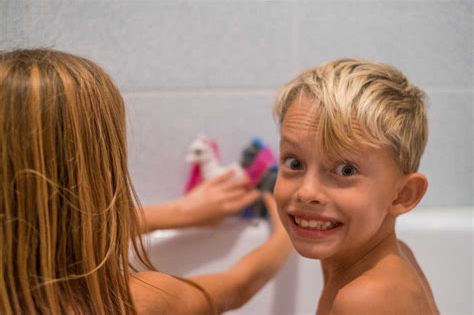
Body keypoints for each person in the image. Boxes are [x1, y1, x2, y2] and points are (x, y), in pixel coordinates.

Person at [0, 48, 292, 314]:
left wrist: (180, 213)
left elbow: (45, 227)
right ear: (96, 169)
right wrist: (284, 234)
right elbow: (238, 285)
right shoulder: (134, 301)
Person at [272, 59, 440, 314]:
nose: (306, 192)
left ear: (403, 195)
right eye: (294, 163)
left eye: (346, 170)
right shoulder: (392, 255)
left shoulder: (365, 300)